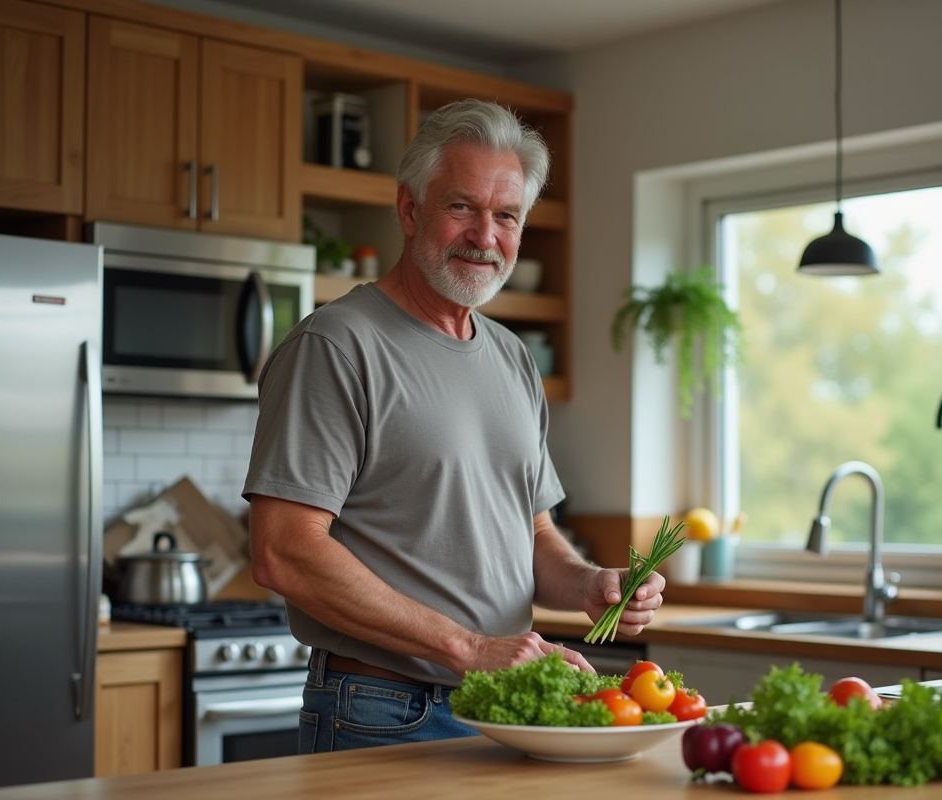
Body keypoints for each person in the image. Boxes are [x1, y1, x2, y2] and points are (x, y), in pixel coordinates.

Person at [242, 99, 666, 752]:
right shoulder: (336, 346)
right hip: (382, 711)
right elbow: (283, 550)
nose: (484, 236)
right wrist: (468, 647)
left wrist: (590, 585)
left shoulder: (511, 357)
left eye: (506, 216)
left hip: (505, 704)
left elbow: (532, 536)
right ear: (411, 210)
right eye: (462, 207)